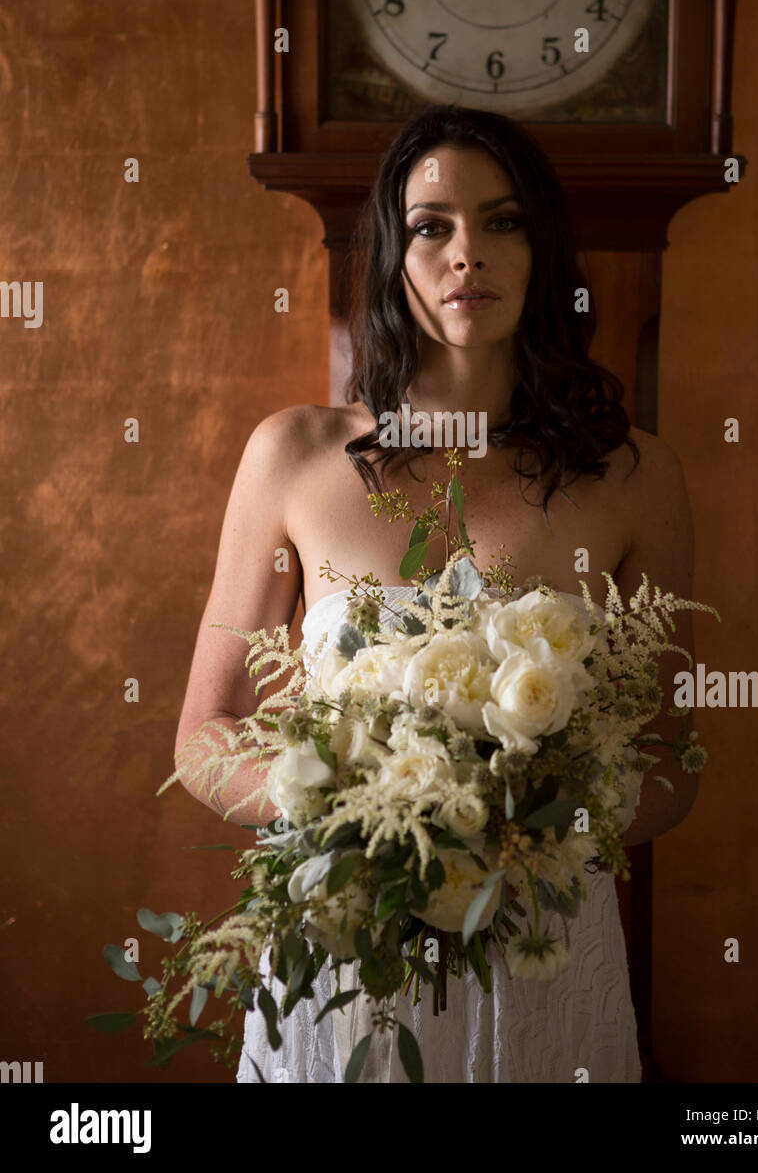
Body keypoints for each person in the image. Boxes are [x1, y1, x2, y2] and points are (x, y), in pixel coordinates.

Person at [174, 102, 698, 1083]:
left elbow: (671, 757)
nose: (467, 253)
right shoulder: (291, 456)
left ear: (540, 248)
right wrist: (339, 805)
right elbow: (205, 732)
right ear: (392, 254)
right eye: (432, 226)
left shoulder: (636, 477)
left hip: (541, 952)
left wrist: (530, 819)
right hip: (341, 950)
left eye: (501, 221)